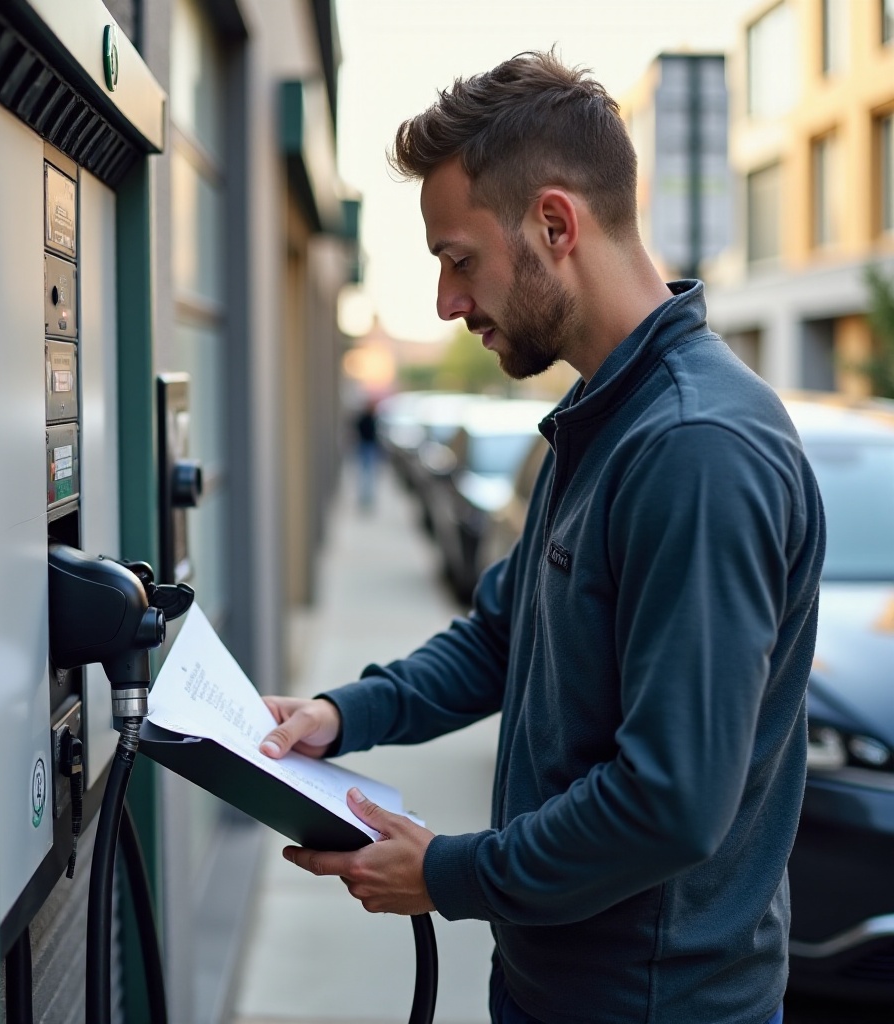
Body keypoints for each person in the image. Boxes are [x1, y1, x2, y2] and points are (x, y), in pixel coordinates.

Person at [259, 50, 824, 1024]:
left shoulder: (694, 448)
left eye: (457, 259)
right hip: (557, 986)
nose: (446, 302)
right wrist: (339, 716)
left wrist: (447, 873)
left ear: (555, 225)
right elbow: (503, 633)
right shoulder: (605, 415)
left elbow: (669, 803)